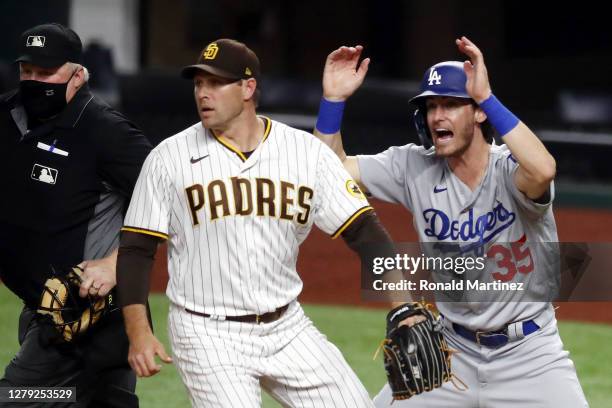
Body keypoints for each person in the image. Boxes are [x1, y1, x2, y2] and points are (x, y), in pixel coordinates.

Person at [114, 38, 404, 408]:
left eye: (216, 83)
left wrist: (403, 306)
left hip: (286, 326)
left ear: (248, 88)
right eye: (198, 83)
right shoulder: (168, 158)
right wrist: (139, 332)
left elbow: (366, 233)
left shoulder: (304, 153)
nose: (203, 93)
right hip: (206, 331)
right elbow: (137, 250)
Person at [314, 37, 588, 407]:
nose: (437, 115)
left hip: (529, 356)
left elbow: (543, 170)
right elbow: (328, 172)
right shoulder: (414, 166)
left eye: (451, 105)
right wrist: (333, 100)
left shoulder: (509, 169)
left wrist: (487, 96)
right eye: (431, 106)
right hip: (450, 353)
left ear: (478, 113)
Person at [0, 23, 151, 407]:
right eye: (27, 71)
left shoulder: (105, 131)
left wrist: (118, 263)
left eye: (46, 72)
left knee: (16, 398)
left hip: (93, 313)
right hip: (42, 310)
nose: (34, 81)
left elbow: (172, 201)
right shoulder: (6, 115)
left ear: (78, 75)